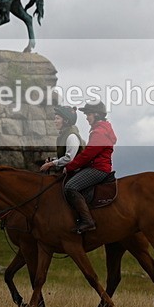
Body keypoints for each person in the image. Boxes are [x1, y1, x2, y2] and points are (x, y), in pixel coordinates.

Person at [62, 100, 117, 234]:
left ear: (97, 115)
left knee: (70, 187)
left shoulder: (99, 132)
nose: (86, 117)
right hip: (97, 167)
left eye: (89, 114)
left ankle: (88, 221)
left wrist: (69, 167)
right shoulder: (100, 130)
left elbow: (87, 155)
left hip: (98, 169)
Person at [40, 106, 84, 173]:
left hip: (76, 172)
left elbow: (69, 159)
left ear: (66, 121)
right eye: (55, 119)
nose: (55, 121)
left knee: (68, 184)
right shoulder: (63, 135)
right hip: (67, 171)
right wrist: (52, 160)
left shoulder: (72, 136)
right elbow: (63, 156)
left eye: (57, 119)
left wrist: (51, 164)